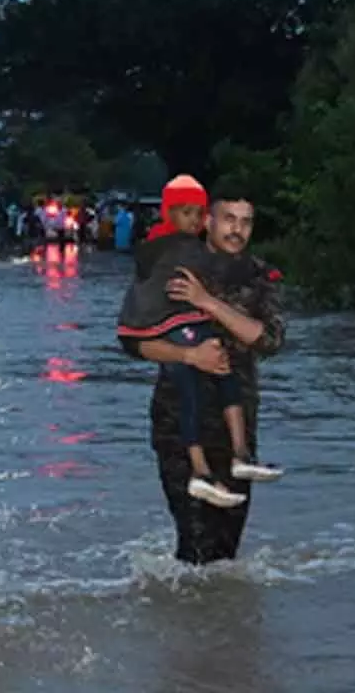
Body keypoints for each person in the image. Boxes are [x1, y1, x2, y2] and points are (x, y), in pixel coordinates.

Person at [119, 196, 286, 565]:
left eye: (246, 222)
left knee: (226, 549)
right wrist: (188, 356)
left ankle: (225, 621)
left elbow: (269, 340)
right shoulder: (170, 266)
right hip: (178, 422)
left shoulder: (258, 276)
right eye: (228, 219)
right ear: (207, 221)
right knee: (195, 543)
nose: (237, 230)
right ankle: (182, 616)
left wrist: (208, 302)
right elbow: (133, 341)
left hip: (237, 427)